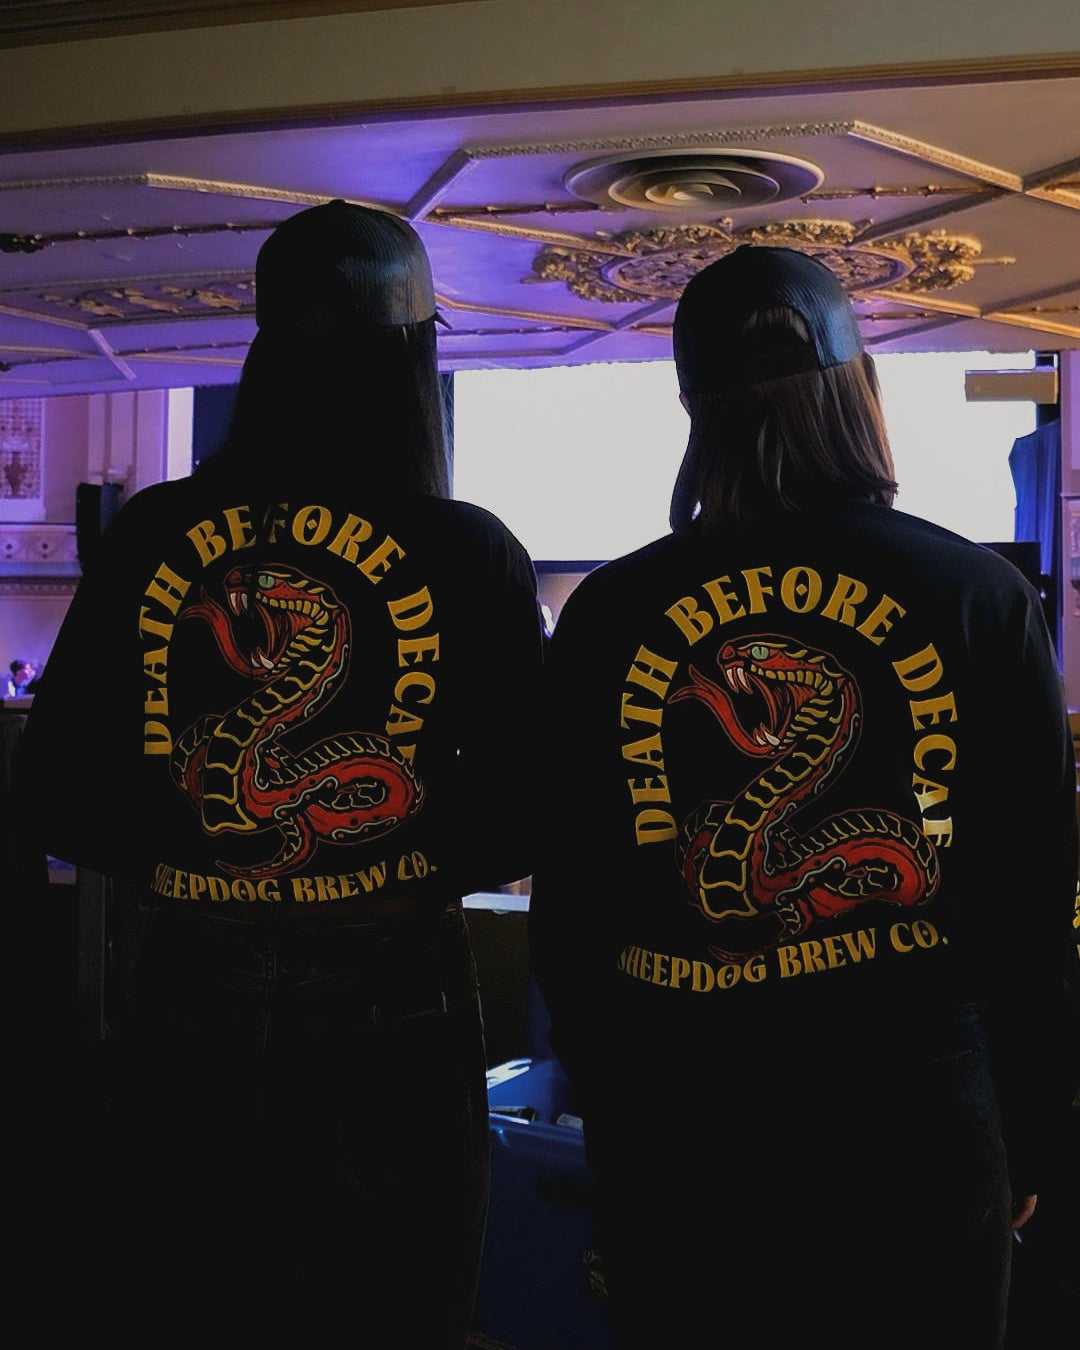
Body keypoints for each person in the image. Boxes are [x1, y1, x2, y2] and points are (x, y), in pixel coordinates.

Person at [527, 246, 1079, 1349]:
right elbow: (1030, 902)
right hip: (914, 1110)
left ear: (693, 409)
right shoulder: (976, 592)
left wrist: (616, 1104)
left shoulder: (610, 612)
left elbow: (572, 907)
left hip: (681, 1114)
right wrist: (1030, 1125)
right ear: (856, 391)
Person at [15, 199, 545, 1345]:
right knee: (395, 1310)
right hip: (395, 1002)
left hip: (188, 987)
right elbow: (531, 811)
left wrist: (211, 858)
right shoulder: (468, 549)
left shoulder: (154, 533)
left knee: (194, 1301)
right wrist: (373, 864)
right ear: (414, 355)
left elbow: (53, 787)